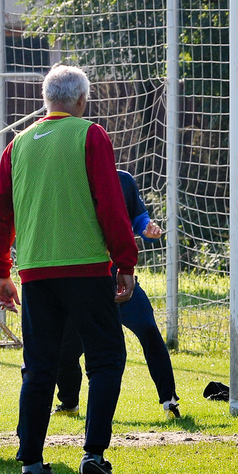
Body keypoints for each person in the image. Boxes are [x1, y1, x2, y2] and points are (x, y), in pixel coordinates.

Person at [0, 64, 138, 474]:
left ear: (45, 99)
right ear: (82, 100)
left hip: (35, 272)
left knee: (39, 366)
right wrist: (125, 262)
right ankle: (93, 453)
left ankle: (31, 462)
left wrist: (0, 269)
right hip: (86, 268)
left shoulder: (17, 144)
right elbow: (110, 203)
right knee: (106, 359)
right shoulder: (90, 134)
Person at [52, 169, 181, 419]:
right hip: (85, 284)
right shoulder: (70, 179)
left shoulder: (123, 180)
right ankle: (69, 403)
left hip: (121, 279)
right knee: (66, 350)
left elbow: (139, 218)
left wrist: (148, 229)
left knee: (148, 329)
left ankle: (169, 400)